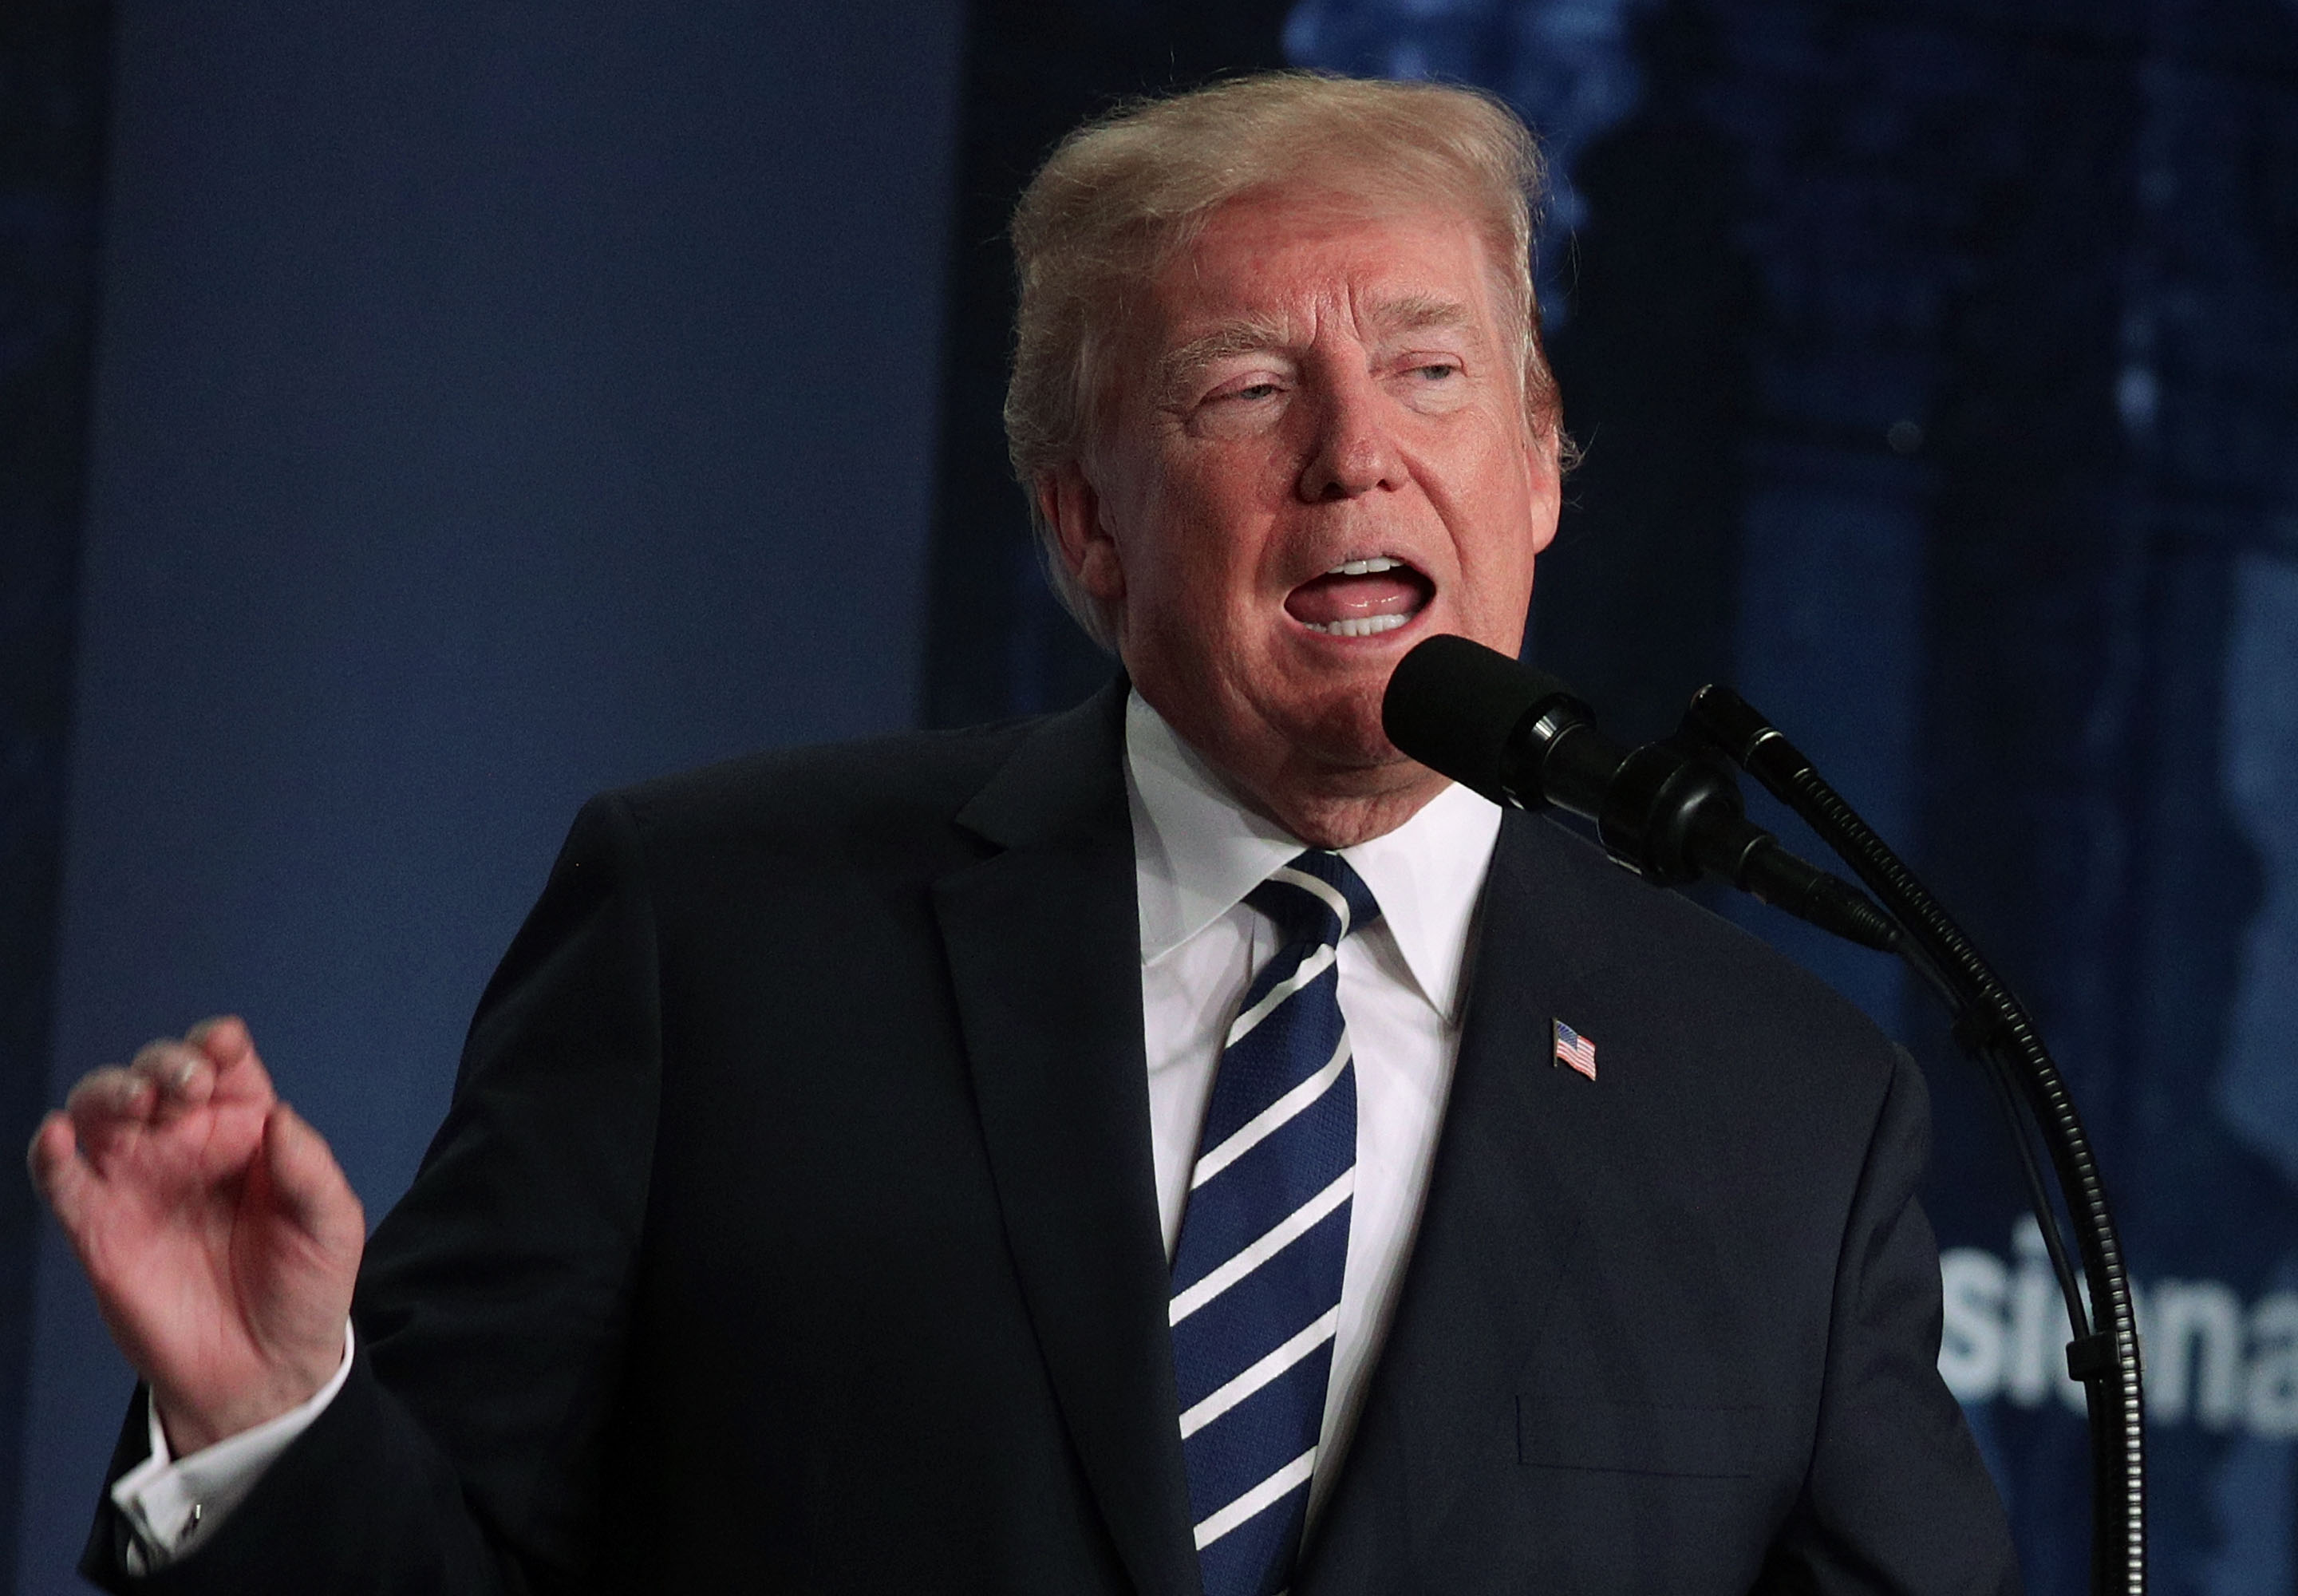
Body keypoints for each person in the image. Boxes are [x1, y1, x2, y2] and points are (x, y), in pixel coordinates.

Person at [33, 73, 2020, 1594]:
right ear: (1085, 527)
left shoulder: (1788, 1113)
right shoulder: (719, 940)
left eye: (1432, 369)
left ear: (1542, 468)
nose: (1357, 449)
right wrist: (269, 1418)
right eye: (1247, 387)